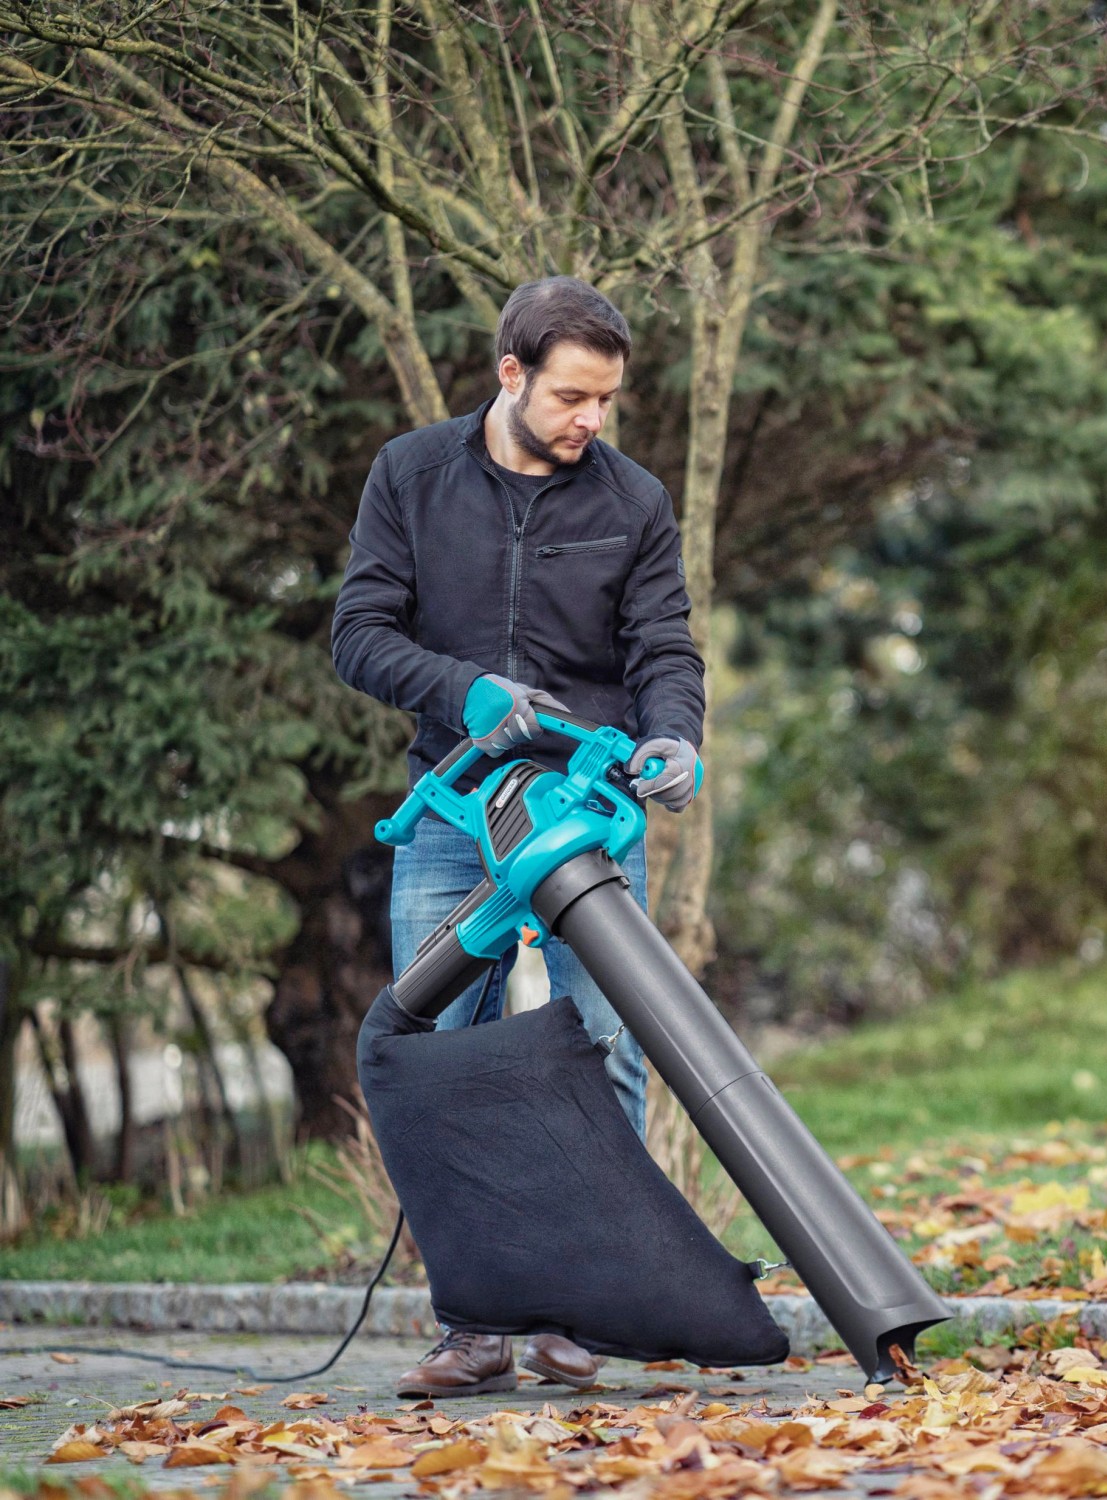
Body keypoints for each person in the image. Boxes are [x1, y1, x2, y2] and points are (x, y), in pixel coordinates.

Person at [331, 276, 705, 1397]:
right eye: (574, 396)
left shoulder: (633, 502)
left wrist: (677, 737)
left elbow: (664, 651)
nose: (593, 420)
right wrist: (463, 692)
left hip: (589, 815)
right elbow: (359, 634)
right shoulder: (410, 474)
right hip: (454, 812)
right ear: (511, 373)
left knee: (607, 1050)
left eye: (608, 400)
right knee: (446, 1057)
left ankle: (583, 1316)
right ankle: (475, 1329)